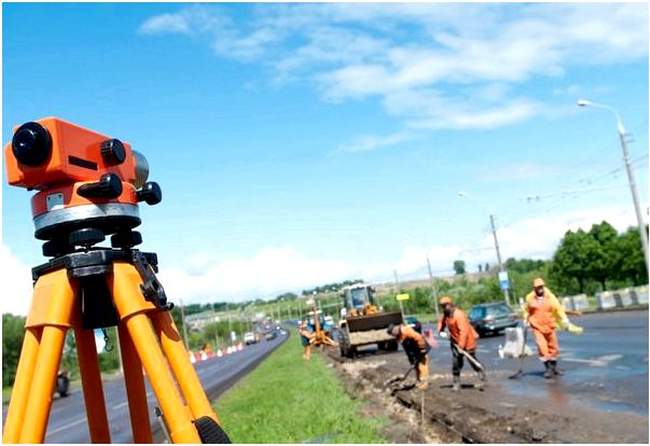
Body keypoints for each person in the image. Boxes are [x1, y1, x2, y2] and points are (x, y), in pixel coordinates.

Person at [523, 278, 583, 378]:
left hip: (550, 325)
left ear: (544, 286)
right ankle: (548, 369)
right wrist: (526, 319)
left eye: (541, 286)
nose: (540, 289)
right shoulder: (530, 298)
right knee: (543, 348)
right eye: (538, 287)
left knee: (554, 348)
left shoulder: (550, 297)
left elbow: (558, 308)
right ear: (534, 288)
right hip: (537, 326)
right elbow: (526, 310)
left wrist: (565, 319)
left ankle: (554, 368)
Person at [437, 296, 486, 391]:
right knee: (456, 362)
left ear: (450, 304)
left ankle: (480, 370)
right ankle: (456, 382)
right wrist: (441, 331)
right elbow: (441, 323)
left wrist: (461, 346)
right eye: (442, 306)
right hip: (455, 341)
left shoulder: (459, 315)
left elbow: (464, 331)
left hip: (468, 341)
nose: (444, 308)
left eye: (445, 305)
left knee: (471, 360)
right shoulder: (446, 314)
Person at [387, 323, 430, 389]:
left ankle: (424, 382)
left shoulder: (405, 330)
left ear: (395, 330)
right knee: (416, 366)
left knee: (422, 364)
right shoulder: (399, 336)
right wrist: (411, 359)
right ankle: (418, 381)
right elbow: (406, 348)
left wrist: (422, 348)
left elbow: (418, 337)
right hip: (413, 348)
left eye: (392, 334)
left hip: (421, 346)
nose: (393, 335)